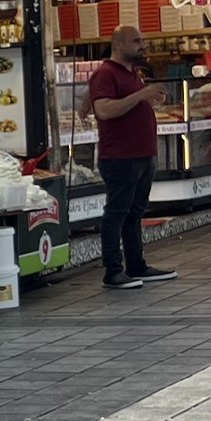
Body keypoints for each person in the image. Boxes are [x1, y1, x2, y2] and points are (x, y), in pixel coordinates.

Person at [89, 24, 178, 288]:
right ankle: (113, 271)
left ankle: (136, 265)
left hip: (143, 154)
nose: (143, 45)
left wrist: (146, 99)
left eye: (143, 40)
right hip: (120, 156)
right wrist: (142, 94)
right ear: (118, 45)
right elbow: (104, 110)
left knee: (135, 212)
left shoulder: (132, 73)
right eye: (137, 41)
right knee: (116, 212)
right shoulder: (105, 74)